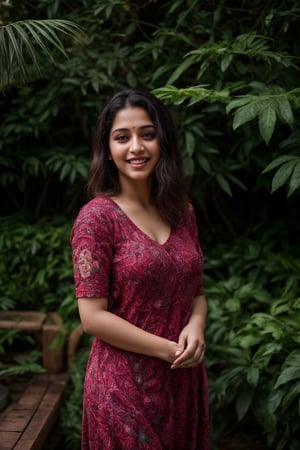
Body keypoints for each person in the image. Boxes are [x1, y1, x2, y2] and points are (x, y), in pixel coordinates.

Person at [71, 88, 210, 449]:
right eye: (123, 137)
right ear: (108, 148)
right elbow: (92, 318)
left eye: (147, 134)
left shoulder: (182, 212)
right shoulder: (97, 219)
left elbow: (196, 292)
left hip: (183, 380)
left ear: (162, 141)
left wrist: (196, 328)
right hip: (123, 388)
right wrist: (167, 350)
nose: (136, 147)